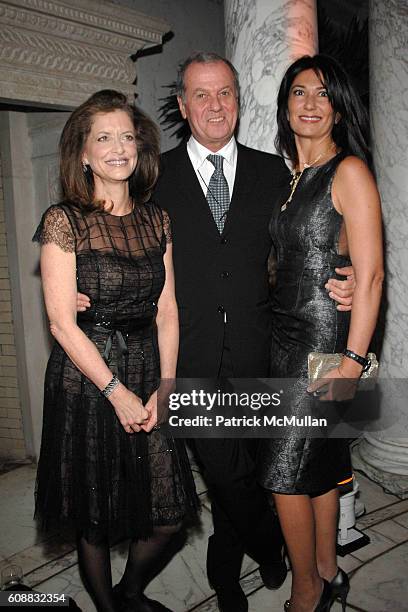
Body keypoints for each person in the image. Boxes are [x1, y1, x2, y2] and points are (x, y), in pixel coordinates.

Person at [76, 53, 355, 612]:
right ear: (183, 105)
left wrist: (342, 275)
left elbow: (317, 234)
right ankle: (271, 546)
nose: (214, 105)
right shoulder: (154, 176)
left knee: (258, 467)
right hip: (190, 356)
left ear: (238, 100)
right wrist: (85, 283)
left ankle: (227, 578)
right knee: (227, 476)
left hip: (268, 351)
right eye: (200, 95)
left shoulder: (276, 174)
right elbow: (110, 223)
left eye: (224, 93)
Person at [33, 90, 198, 612]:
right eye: (103, 137)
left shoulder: (157, 220)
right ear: (83, 153)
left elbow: (168, 310)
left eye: (127, 136)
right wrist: (115, 392)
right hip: (88, 375)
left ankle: (130, 594)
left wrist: (165, 385)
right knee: (96, 512)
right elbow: (61, 323)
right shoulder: (65, 221)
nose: (118, 147)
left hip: (149, 365)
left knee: (169, 513)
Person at [257, 54, 383, 612]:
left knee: (283, 476)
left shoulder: (348, 171)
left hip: (328, 347)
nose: (311, 103)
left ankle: (307, 592)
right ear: (286, 106)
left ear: (338, 108)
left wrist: (354, 359)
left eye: (324, 94)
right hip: (286, 341)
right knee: (321, 464)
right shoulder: (293, 180)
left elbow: (374, 271)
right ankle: (329, 570)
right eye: (300, 92)